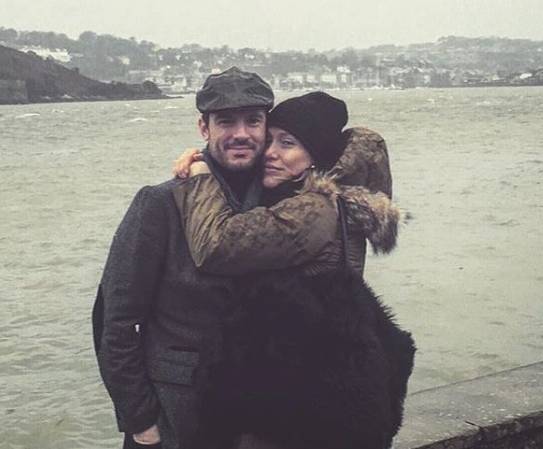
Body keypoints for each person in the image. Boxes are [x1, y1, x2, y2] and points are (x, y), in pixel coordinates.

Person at [172, 92, 415, 449]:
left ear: (315, 158)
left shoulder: (313, 211)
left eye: (287, 144)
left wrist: (200, 176)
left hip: (300, 409)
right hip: (302, 396)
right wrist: (203, 157)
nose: (270, 153)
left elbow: (217, 246)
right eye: (269, 140)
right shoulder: (296, 198)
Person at [92, 67, 276, 449]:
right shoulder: (160, 203)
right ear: (203, 128)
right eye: (226, 121)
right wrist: (141, 421)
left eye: (253, 120)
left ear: (267, 127)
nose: (241, 133)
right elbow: (114, 319)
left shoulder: (285, 203)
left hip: (259, 416)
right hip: (175, 416)